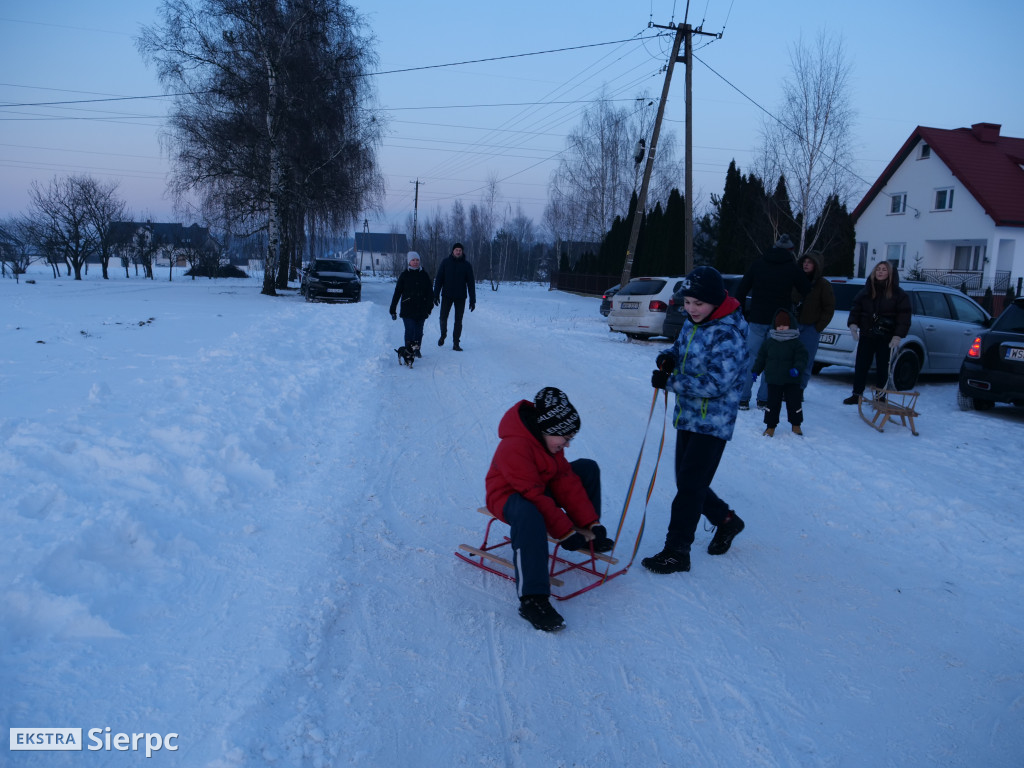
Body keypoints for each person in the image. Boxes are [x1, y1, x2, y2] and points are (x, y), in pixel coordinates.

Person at [644, 266, 748, 575]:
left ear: (715, 301)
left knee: (689, 486)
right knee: (688, 481)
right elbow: (680, 349)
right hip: (688, 417)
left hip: (713, 423)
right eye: (687, 302)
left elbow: (718, 382)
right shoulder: (693, 324)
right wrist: (668, 358)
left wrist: (673, 383)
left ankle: (677, 551)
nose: (691, 309)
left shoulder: (728, 333)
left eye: (698, 303)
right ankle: (726, 520)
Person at [484, 387, 614, 631]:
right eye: (565, 438)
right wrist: (564, 532)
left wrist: (589, 523)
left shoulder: (549, 441)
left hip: (537, 487)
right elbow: (532, 495)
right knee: (530, 513)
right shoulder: (515, 446)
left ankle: (587, 537)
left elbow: (564, 480)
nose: (567, 444)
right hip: (508, 495)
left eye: (569, 439)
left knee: (585, 468)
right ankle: (533, 598)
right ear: (548, 429)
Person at [735, 234, 812, 409]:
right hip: (779, 321)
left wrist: (745, 312)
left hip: (757, 318)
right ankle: (763, 399)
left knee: (752, 358)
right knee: (772, 359)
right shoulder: (792, 268)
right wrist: (795, 304)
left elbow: (741, 289)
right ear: (791, 251)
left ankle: (743, 398)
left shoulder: (758, 264)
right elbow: (807, 290)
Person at [843, 260, 912, 404]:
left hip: (886, 336)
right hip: (867, 334)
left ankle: (881, 396)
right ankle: (857, 394)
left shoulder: (899, 295)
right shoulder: (866, 291)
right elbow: (856, 308)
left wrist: (898, 335)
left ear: (890, 273)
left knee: (883, 367)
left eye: (884, 270)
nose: (880, 272)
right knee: (861, 365)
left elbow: (904, 316)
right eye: (878, 269)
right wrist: (853, 325)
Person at [752, 309, 808, 436]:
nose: (781, 328)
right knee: (772, 404)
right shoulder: (769, 343)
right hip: (774, 380)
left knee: (794, 403)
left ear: (791, 325)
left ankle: (796, 425)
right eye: (778, 325)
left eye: (784, 325)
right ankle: (770, 426)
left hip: (791, 380)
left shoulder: (796, 343)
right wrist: (756, 370)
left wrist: (797, 368)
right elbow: (761, 358)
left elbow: (802, 358)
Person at [793, 251, 836, 390]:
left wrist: (818, 327)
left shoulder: (823, 285)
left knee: (805, 361)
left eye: (809, 262)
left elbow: (829, 308)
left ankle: (799, 390)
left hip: (810, 328)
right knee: (790, 359)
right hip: (793, 325)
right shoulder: (796, 280)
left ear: (816, 265)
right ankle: (789, 389)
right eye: (804, 262)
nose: (806, 264)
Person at [433, 242, 476, 351]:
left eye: (460, 250)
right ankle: (443, 335)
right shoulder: (445, 263)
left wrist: (472, 300)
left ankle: (456, 343)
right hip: (447, 295)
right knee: (443, 317)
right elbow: (439, 280)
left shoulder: (467, 265)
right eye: (456, 250)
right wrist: (436, 295)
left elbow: (471, 283)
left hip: (460, 297)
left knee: (458, 320)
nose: (458, 252)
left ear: (462, 252)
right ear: (452, 251)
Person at [389, 251, 433, 356]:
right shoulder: (404, 275)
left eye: (417, 260)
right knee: (410, 330)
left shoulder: (424, 275)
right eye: (413, 260)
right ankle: (409, 351)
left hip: (421, 309)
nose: (415, 262)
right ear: (409, 262)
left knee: (418, 331)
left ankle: (416, 349)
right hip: (407, 309)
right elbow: (397, 292)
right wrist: (392, 309)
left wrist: (429, 307)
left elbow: (430, 293)